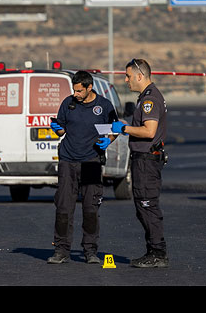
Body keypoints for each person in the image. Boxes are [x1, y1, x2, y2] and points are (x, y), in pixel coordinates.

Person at [47, 70, 118, 265]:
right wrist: (56, 129)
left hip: (91, 162)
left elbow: (115, 128)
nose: (75, 94)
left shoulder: (104, 106)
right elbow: (60, 128)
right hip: (68, 161)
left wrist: (108, 141)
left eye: (79, 91)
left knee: (91, 208)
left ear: (89, 88)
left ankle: (90, 251)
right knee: (63, 207)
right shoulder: (68, 103)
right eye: (74, 90)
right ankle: (61, 250)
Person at [112, 58, 169, 268]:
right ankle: (153, 250)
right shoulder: (145, 97)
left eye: (127, 76)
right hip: (143, 159)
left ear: (139, 75)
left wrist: (124, 129)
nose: (125, 80)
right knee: (142, 206)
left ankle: (158, 253)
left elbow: (149, 131)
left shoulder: (150, 99)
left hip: (147, 160)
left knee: (147, 205)